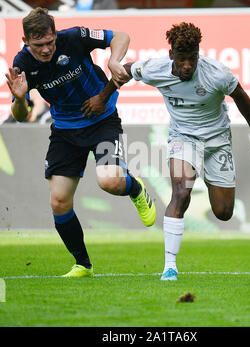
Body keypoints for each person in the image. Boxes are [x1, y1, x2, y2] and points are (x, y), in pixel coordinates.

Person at [85, 22, 250, 281]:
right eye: (182, 59)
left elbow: (240, 96)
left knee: (223, 212)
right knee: (181, 191)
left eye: (192, 59)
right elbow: (125, 71)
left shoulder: (216, 73)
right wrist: (103, 97)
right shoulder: (155, 68)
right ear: (171, 54)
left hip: (217, 140)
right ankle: (170, 267)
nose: (187, 66)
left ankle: (210, 177)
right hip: (183, 137)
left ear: (199, 54)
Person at [5, 7, 156, 278]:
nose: (46, 49)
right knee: (59, 202)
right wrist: (18, 98)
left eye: (50, 42)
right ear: (26, 41)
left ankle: (135, 189)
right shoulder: (22, 65)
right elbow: (22, 115)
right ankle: (82, 265)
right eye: (39, 45)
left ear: (55, 34)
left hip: (102, 120)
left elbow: (120, 35)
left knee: (110, 181)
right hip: (64, 131)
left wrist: (113, 60)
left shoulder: (74, 37)